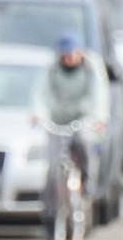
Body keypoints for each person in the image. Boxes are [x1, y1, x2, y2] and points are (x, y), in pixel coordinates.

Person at [45, 33, 111, 196]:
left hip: (85, 118)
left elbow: (100, 95)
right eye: (64, 54)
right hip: (60, 119)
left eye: (70, 54)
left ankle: (88, 184)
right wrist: (39, 114)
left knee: (83, 141)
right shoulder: (53, 68)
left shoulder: (91, 67)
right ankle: (53, 201)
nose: (67, 58)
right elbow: (41, 94)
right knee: (54, 160)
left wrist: (99, 118)